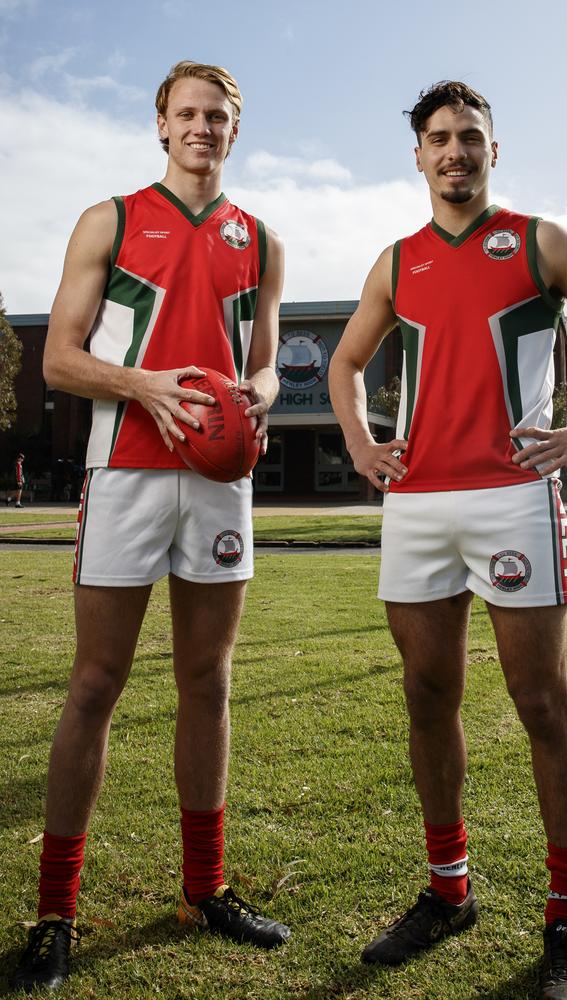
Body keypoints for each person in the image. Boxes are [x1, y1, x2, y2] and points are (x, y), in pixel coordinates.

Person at [329, 81, 567, 999]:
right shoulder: (396, 262)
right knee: (427, 694)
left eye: (471, 138)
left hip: (515, 496)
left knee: (541, 701)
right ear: (419, 156)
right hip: (418, 505)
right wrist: (358, 442)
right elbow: (346, 362)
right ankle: (447, 889)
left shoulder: (539, 239)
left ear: (493, 152)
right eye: (439, 139)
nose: (455, 152)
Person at [10, 60, 289, 994]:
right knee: (95, 682)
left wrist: (255, 395)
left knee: (208, 681)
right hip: (125, 469)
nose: (202, 128)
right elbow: (57, 358)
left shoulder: (263, 240)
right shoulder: (113, 219)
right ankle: (55, 909)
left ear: (233, 132)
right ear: (161, 127)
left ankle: (203, 889)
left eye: (218, 117)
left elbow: (266, 366)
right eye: (187, 115)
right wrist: (143, 386)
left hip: (218, 481)